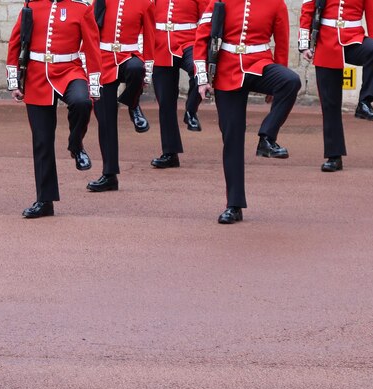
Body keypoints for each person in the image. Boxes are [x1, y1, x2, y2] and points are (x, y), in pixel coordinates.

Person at [194, 0, 301, 224]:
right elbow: (203, 37)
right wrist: (202, 77)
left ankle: (267, 138)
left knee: (290, 81)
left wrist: (276, 85)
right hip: (226, 70)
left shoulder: (276, 4)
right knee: (232, 138)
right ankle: (234, 205)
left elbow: (281, 44)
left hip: (259, 64)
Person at [6, 0, 102, 218]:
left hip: (70, 70)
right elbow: (15, 41)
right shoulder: (32, 5)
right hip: (37, 75)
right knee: (42, 140)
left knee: (82, 102)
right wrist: (14, 81)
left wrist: (94, 84)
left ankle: (76, 145)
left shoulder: (81, 8)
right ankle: (45, 200)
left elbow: (91, 46)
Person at [298, 0, 373, 172]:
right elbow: (308, 8)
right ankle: (334, 157)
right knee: (330, 103)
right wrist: (304, 44)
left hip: (353, 37)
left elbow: (372, 14)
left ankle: (364, 103)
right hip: (326, 41)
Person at [86, 0, 155, 192]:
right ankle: (109, 175)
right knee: (105, 120)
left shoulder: (144, 4)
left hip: (128, 56)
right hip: (103, 60)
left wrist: (148, 69)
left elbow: (149, 36)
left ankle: (132, 104)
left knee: (136, 69)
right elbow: (89, 32)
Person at [150, 0, 208, 169]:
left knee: (199, 72)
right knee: (165, 102)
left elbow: (207, 17)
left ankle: (190, 111)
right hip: (160, 44)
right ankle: (170, 153)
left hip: (189, 41)